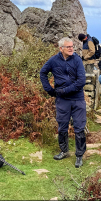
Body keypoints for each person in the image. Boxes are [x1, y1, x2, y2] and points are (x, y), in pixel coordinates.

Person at [40, 37, 87, 168]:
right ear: (61, 49)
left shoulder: (77, 60)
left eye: (72, 46)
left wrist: (64, 91)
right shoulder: (53, 60)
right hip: (62, 100)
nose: (71, 48)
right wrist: (49, 90)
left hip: (77, 99)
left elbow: (81, 81)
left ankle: (79, 155)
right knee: (62, 126)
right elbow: (43, 72)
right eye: (68, 47)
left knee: (79, 127)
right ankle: (64, 151)